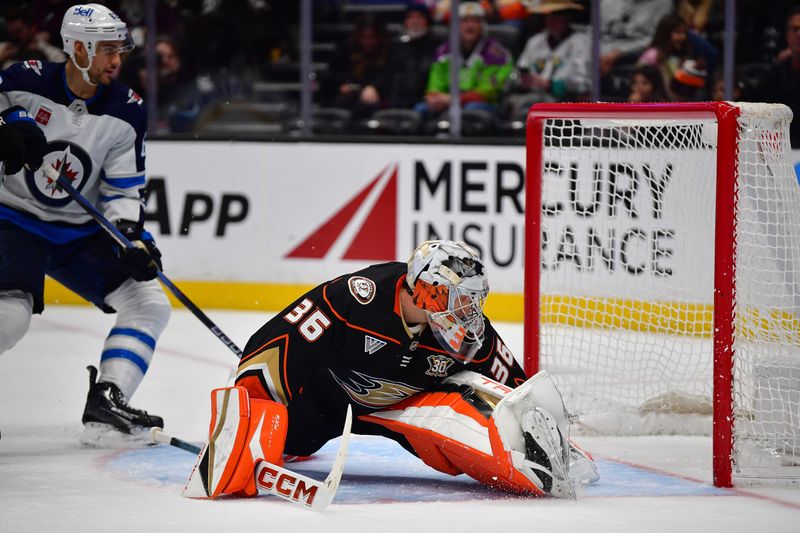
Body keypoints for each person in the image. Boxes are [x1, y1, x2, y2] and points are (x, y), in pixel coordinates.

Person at [183, 240, 599, 499]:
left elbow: (513, 384)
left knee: (460, 418)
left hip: (396, 408)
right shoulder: (356, 298)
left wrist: (547, 435)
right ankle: (279, 438)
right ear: (428, 291)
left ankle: (528, 468)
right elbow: (276, 346)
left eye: (473, 301)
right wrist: (244, 420)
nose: (469, 312)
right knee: (292, 438)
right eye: (459, 299)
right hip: (320, 402)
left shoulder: (465, 330)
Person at [0, 4, 170, 443]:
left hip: (77, 234)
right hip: (12, 219)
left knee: (149, 302)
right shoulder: (23, 80)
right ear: (77, 48)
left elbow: (122, 191)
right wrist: (7, 122)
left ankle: (107, 403)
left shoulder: (126, 110)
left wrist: (130, 236)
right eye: (106, 50)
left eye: (120, 50)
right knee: (9, 318)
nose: (116, 60)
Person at [417, 2, 514, 117]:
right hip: (447, 102)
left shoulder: (496, 55)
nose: (470, 26)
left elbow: (488, 91)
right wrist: (434, 98)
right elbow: (434, 85)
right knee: (421, 109)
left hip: (484, 105)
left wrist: (455, 100)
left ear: (483, 25)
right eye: (465, 21)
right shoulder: (443, 52)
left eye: (475, 21)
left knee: (471, 110)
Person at [515, 1, 590, 103]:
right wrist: (523, 80)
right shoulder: (535, 41)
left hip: (564, 101)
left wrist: (550, 85)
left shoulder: (580, 42)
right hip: (532, 96)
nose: (551, 20)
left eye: (556, 15)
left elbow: (585, 84)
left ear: (566, 18)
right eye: (548, 15)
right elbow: (521, 69)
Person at [381, 3, 441, 110]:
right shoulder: (396, 46)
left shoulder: (438, 47)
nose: (414, 21)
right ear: (405, 22)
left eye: (419, 17)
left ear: (427, 21)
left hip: (426, 102)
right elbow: (387, 74)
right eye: (410, 17)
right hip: (397, 101)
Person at [769, 6, 800, 148]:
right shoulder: (776, 72)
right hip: (783, 151)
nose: (799, 34)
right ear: (787, 34)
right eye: (795, 29)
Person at [0, 6, 67, 69]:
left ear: (32, 28)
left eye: (18, 32)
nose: (14, 37)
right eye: (11, 33)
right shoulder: (2, 50)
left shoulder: (55, 55)